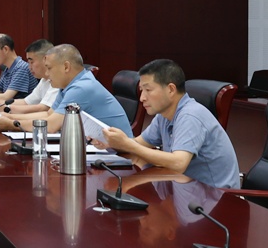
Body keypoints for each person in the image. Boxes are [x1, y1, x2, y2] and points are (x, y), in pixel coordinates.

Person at [95, 59, 241, 189]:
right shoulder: (164, 116)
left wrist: (127, 144)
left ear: (171, 89)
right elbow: (138, 143)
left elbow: (179, 163)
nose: (142, 98)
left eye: (148, 90)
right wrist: (111, 142)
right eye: (141, 91)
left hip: (216, 198)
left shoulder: (190, 115)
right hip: (186, 190)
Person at [0, 44, 132, 136]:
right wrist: (8, 117)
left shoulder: (82, 87)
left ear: (66, 67)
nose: (47, 74)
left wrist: (10, 123)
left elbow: (51, 126)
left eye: (49, 68)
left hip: (118, 156)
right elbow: (48, 114)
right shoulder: (67, 85)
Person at [0, 39, 58, 124]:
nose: (29, 67)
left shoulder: (57, 81)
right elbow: (26, 102)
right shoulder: (43, 80)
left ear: (45, 59)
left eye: (31, 62)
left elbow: (44, 108)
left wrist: (7, 110)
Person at [0, 33, 40, 105]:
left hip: (22, 109)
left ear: (5, 49)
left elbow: (6, 97)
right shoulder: (8, 69)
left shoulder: (21, 68)